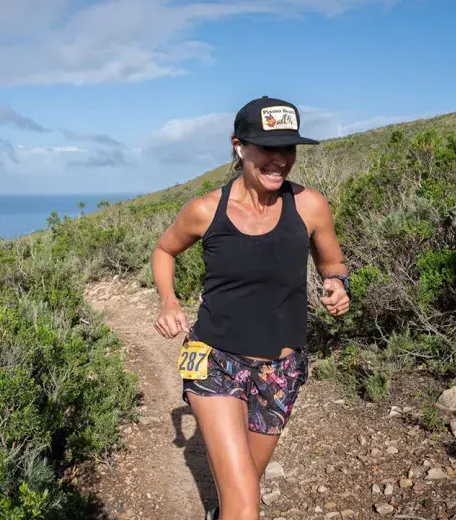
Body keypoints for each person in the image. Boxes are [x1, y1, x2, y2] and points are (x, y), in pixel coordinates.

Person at [150, 96, 351, 520]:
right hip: (215, 361)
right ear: (239, 146)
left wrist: (336, 283)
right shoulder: (205, 210)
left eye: (288, 148)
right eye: (267, 148)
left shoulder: (310, 205)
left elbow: (332, 262)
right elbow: (164, 250)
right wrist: (168, 301)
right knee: (244, 503)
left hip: (282, 369)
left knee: (244, 486)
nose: (280, 160)